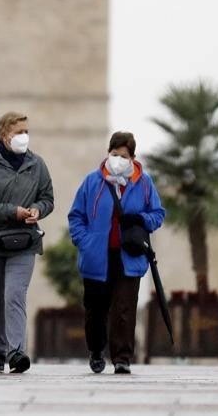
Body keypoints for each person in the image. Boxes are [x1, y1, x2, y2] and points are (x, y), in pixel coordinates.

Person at [67, 131, 166, 375]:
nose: (118, 159)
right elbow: (76, 216)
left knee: (124, 309)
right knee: (95, 310)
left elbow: (158, 214)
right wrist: (85, 241)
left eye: (123, 156)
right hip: (96, 257)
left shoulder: (144, 183)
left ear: (132, 157)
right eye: (114, 154)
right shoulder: (92, 181)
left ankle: (122, 357)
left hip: (129, 257)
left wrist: (140, 218)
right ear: (107, 153)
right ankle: (96, 351)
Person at [0, 111, 54, 374]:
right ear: (4, 135)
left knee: (15, 294)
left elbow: (48, 198)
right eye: (18, 132)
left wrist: (38, 209)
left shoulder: (37, 165)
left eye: (26, 131)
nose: (24, 137)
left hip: (24, 242)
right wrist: (11, 212)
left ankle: (17, 353)